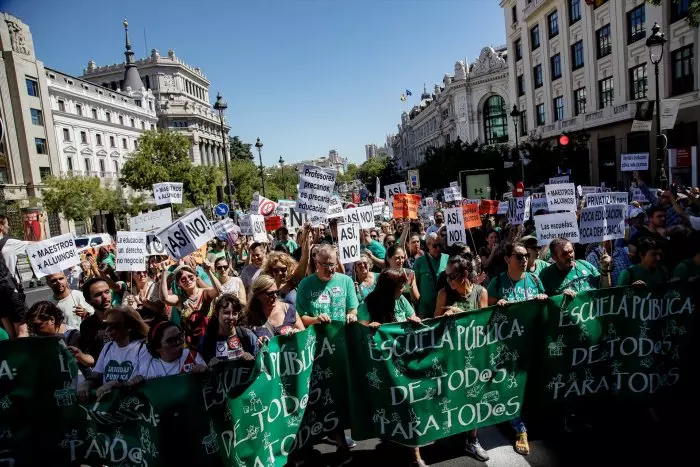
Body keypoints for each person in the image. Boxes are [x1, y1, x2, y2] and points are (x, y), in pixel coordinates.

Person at [357, 268, 423, 466]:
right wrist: (370, 328)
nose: (403, 289)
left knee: (410, 405)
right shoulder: (367, 303)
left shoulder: (401, 300)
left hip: (404, 362)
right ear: (388, 288)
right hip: (382, 367)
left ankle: (415, 454)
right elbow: (360, 329)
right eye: (399, 286)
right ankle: (392, 441)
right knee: (391, 406)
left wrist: (414, 320)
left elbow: (414, 317)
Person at [486, 242, 546, 455]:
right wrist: (497, 306)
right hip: (507, 347)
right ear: (507, 259)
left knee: (530, 384)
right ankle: (519, 428)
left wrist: (543, 299)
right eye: (519, 257)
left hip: (531, 343)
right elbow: (487, 313)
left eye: (526, 256)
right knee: (512, 385)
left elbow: (545, 309)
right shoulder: (497, 282)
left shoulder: (535, 280)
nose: (524, 260)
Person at [432, 255, 489, 461]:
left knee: (473, 397)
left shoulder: (480, 292)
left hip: (471, 356)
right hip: (449, 356)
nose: (448, 280)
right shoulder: (444, 293)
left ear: (465, 274)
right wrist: (445, 318)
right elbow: (434, 325)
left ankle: (473, 440)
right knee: (450, 396)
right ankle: (449, 433)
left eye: (452, 276)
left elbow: (483, 325)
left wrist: (462, 315)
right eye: (446, 276)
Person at [77, 305, 149, 402]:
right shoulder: (108, 347)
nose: (107, 330)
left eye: (114, 326)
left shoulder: (142, 348)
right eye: (106, 325)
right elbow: (97, 374)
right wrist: (87, 383)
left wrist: (117, 385)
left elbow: (143, 378)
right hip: (108, 403)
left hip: (131, 403)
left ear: (129, 327)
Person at [161, 264, 222, 349]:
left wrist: (209, 272)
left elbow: (219, 291)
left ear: (196, 277)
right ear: (179, 284)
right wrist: (164, 272)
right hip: (191, 344)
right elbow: (164, 298)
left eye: (191, 277)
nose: (188, 280)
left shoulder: (205, 293)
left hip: (211, 339)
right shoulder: (180, 299)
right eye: (183, 279)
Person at [297, 244, 359, 326]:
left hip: (341, 334)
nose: (329, 269)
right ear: (316, 263)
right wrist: (316, 320)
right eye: (325, 265)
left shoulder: (347, 281)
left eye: (332, 265)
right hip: (317, 337)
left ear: (336, 263)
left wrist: (351, 315)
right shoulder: (305, 284)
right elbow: (300, 317)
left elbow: (353, 308)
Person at [26, 301, 94, 373]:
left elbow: (90, 362)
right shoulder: (39, 339)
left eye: (38, 326)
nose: (34, 331)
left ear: (52, 320)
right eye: (31, 327)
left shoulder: (73, 335)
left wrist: (79, 356)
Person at [539, 238, 611, 297]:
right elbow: (543, 303)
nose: (570, 256)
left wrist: (605, 269)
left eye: (571, 251)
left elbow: (605, 290)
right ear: (554, 257)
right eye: (564, 254)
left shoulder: (585, 264)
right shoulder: (546, 275)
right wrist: (560, 298)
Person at [199, 293, 258, 364]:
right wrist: (208, 366)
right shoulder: (207, 340)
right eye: (226, 313)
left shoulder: (247, 335)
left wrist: (252, 359)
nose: (231, 317)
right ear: (217, 314)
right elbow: (198, 366)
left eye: (234, 313)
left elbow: (260, 365)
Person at [137, 322, 207, 379]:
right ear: (158, 348)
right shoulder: (148, 367)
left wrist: (204, 372)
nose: (178, 342)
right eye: (171, 340)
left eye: (179, 336)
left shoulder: (193, 356)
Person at [244, 274, 305, 340]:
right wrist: (257, 344)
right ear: (257, 295)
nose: (275, 296)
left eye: (276, 292)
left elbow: (305, 336)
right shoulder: (250, 317)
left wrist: (298, 333)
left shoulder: (289, 310)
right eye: (270, 294)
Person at [0, 213, 30, 338]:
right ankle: (24, 356)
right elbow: (38, 244)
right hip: (11, 292)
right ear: (0, 226)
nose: (8, 227)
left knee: (10, 333)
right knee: (23, 330)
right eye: (6, 224)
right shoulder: (9, 243)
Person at [413, 232, 448, 318]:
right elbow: (414, 284)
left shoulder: (447, 258)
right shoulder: (419, 262)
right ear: (428, 245)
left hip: (443, 307)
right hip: (425, 309)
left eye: (440, 245)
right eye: (435, 246)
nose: (438, 248)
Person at [80, 277, 113, 363]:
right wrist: (80, 355)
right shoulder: (86, 325)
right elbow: (92, 358)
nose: (105, 297)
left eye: (107, 292)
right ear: (88, 300)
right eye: (98, 294)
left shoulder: (126, 317)